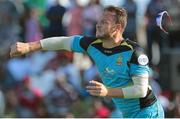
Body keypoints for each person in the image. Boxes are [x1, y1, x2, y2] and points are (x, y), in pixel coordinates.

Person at [10, 6, 164, 118]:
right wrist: (29, 46)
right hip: (127, 113)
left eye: (104, 22)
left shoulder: (134, 52)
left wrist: (107, 91)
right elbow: (63, 42)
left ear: (116, 28)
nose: (98, 24)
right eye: (99, 21)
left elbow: (140, 91)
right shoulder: (92, 44)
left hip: (148, 112)